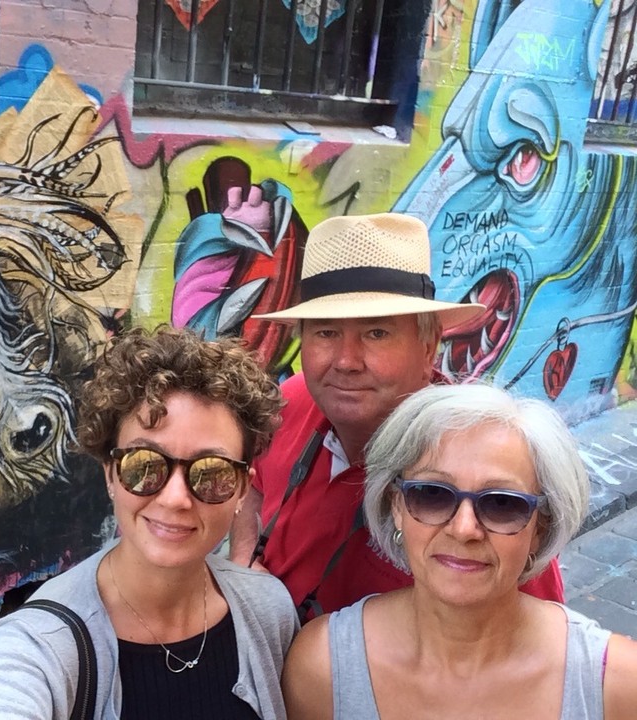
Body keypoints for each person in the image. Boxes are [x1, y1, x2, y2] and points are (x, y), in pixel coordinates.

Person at [228, 212, 565, 618]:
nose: (347, 361)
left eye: (376, 333)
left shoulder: (480, 458)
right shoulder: (292, 399)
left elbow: (540, 631)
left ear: (428, 347)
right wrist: (245, 557)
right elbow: (255, 485)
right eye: (325, 332)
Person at [0, 326, 299, 720]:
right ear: (110, 474)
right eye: (144, 466)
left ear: (242, 490)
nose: (174, 498)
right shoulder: (37, 644)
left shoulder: (268, 610)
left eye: (212, 471)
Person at [281, 383, 637, 719]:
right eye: (432, 494)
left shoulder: (616, 686)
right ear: (398, 508)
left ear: (539, 528)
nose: (464, 529)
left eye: (502, 503)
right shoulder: (323, 667)